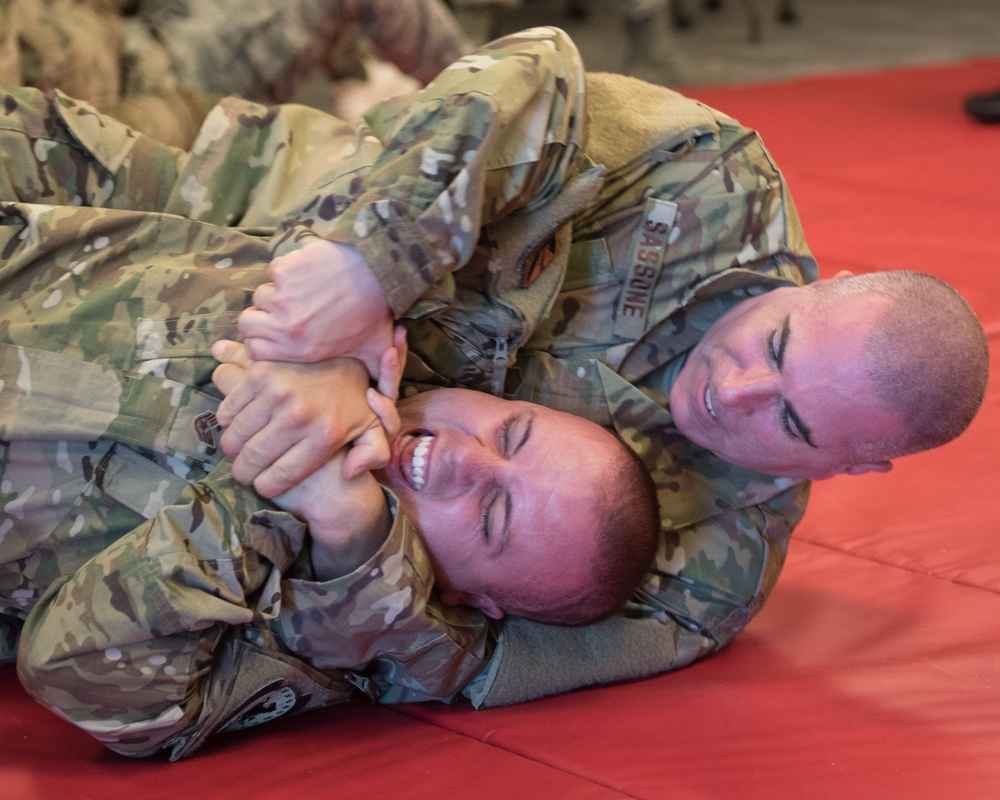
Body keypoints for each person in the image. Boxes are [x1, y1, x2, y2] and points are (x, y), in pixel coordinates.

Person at [0, 23, 989, 754]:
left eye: (787, 418)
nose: (730, 388)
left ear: (857, 464)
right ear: (833, 278)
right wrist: (364, 266)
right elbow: (536, 71)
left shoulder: (702, 579)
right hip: (165, 212)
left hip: (145, 472)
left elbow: (438, 659)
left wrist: (347, 520)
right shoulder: (708, 186)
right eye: (772, 340)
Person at [0, 81, 659, 758]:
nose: (467, 456)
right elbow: (535, 84)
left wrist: (301, 500)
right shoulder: (416, 313)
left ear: (466, 595)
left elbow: (73, 671)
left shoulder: (301, 627)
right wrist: (353, 317)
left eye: (494, 514)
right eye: (509, 433)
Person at [1, 0, 468, 147]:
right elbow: (56, 154)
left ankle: (353, 67)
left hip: (139, 34)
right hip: (168, 87)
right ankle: (482, 94)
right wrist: (198, 116)